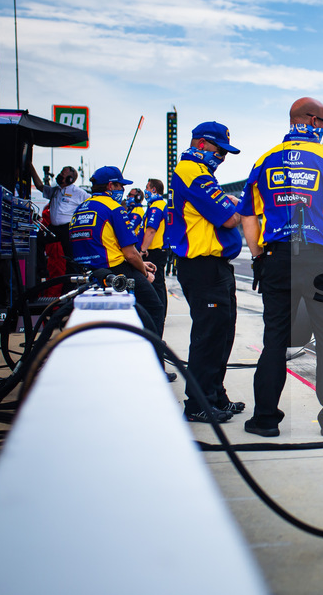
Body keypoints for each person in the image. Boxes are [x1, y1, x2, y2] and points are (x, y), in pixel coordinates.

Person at [238, 97, 323, 438]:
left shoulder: (264, 161)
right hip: (320, 260)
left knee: (275, 341)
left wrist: (258, 256)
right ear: (312, 121)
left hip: (277, 258)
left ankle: (264, 419)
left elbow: (248, 216)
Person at [168, 121, 245, 424]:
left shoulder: (201, 174)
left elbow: (230, 209)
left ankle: (215, 396)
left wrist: (236, 206)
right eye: (219, 150)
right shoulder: (192, 172)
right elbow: (230, 218)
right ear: (201, 144)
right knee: (208, 335)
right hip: (202, 267)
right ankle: (197, 403)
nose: (222, 158)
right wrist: (241, 207)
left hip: (214, 268)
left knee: (222, 333)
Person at [68, 166, 166, 339]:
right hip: (114, 270)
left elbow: (102, 244)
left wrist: (140, 263)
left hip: (85, 271)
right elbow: (130, 253)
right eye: (121, 186)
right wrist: (144, 273)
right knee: (154, 307)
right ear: (111, 186)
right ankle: (153, 353)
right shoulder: (114, 208)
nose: (123, 190)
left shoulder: (80, 208)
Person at [140, 178, 175, 381]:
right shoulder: (161, 204)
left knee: (156, 300)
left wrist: (142, 251)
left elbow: (151, 230)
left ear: (153, 189)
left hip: (154, 255)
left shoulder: (156, 206)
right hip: (160, 254)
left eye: (147, 188)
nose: (145, 191)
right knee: (157, 298)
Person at [32, 165, 88, 279]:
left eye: (63, 175)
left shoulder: (79, 192)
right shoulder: (55, 190)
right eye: (60, 173)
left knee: (70, 256)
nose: (59, 176)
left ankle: (71, 279)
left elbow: (92, 203)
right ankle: (42, 270)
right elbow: (39, 186)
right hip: (54, 228)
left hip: (68, 228)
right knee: (37, 239)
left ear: (70, 179)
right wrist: (31, 169)